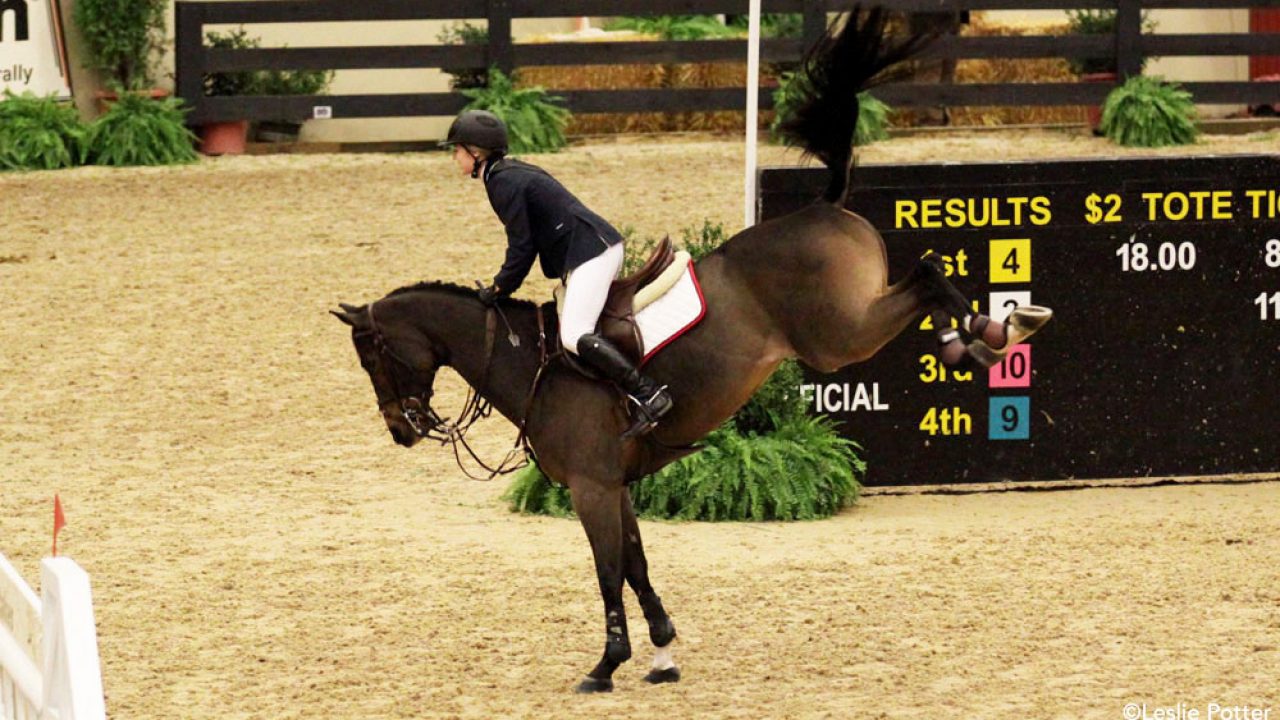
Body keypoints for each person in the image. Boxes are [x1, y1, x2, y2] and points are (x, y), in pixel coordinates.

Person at [439, 110, 673, 438]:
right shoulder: (505, 174)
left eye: (458, 150)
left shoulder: (502, 182)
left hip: (592, 253)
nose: (455, 156)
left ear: (476, 152)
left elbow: (522, 245)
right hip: (590, 249)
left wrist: (500, 287)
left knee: (574, 334)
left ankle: (649, 393)